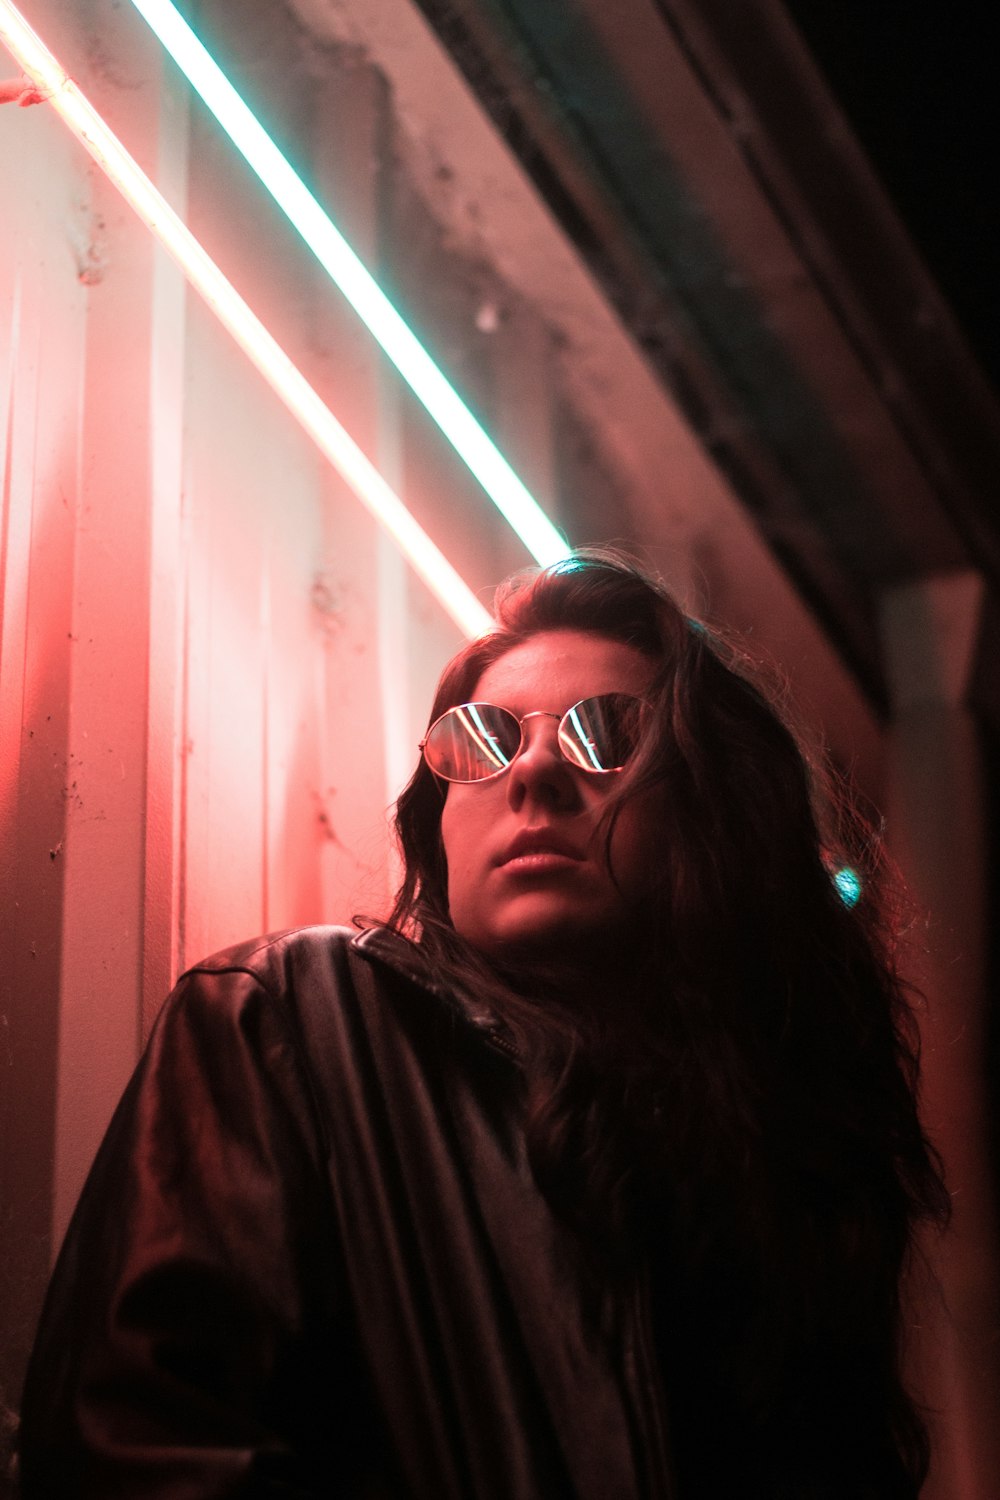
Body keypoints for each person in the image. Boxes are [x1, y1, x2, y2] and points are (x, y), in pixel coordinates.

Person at [18, 551, 948, 1498]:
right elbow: (134, 1454)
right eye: (483, 739)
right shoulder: (286, 1018)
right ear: (440, 821)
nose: (535, 768)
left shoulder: (792, 1174)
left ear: (716, 815)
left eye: (610, 732)